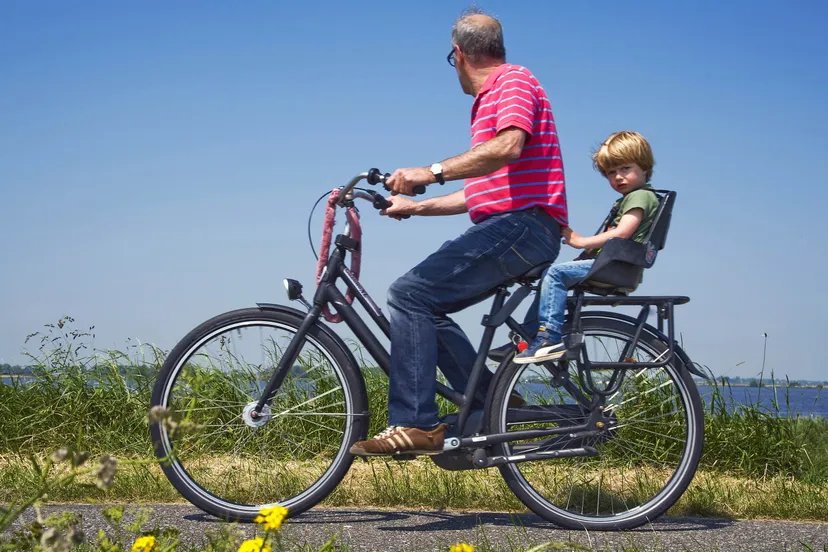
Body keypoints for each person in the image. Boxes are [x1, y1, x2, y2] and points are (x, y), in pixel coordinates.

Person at [348, 8, 567, 456]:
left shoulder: (512, 81)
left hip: (524, 228)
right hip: (515, 226)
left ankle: (414, 423)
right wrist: (416, 206)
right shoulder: (492, 99)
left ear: (458, 55)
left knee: (410, 294)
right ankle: (489, 401)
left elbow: (507, 147)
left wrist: (429, 171)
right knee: (425, 304)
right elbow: (482, 192)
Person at [511, 130, 661, 364]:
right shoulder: (633, 197)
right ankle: (530, 335)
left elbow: (622, 233)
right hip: (612, 264)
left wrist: (580, 241)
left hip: (615, 267)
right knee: (549, 281)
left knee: (555, 274)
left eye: (625, 169)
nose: (618, 177)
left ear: (644, 167)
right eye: (611, 172)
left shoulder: (640, 197)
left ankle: (549, 337)